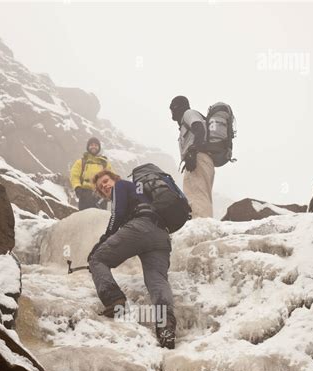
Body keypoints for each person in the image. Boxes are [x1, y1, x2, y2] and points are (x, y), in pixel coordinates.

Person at [87, 170, 176, 349]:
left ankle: (115, 301)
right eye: (102, 188)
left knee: (97, 259)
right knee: (157, 280)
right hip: (161, 236)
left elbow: (117, 215)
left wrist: (102, 242)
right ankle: (166, 328)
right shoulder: (140, 192)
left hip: (140, 227)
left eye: (106, 181)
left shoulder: (121, 185)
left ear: (115, 179)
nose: (105, 187)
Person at [170, 95, 215, 218]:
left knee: (196, 195)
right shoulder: (187, 119)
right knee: (199, 194)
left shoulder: (188, 114)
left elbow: (199, 128)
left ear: (177, 107)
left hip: (198, 158)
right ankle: (202, 225)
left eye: (172, 108)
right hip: (200, 159)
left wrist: (193, 151)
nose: (171, 112)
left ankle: (200, 229)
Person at [70, 137, 112, 210]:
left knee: (100, 220)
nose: (93, 147)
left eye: (96, 145)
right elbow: (74, 176)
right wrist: (77, 187)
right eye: (91, 145)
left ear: (99, 148)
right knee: (84, 219)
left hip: (101, 195)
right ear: (88, 147)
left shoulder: (105, 163)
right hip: (85, 194)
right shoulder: (81, 162)